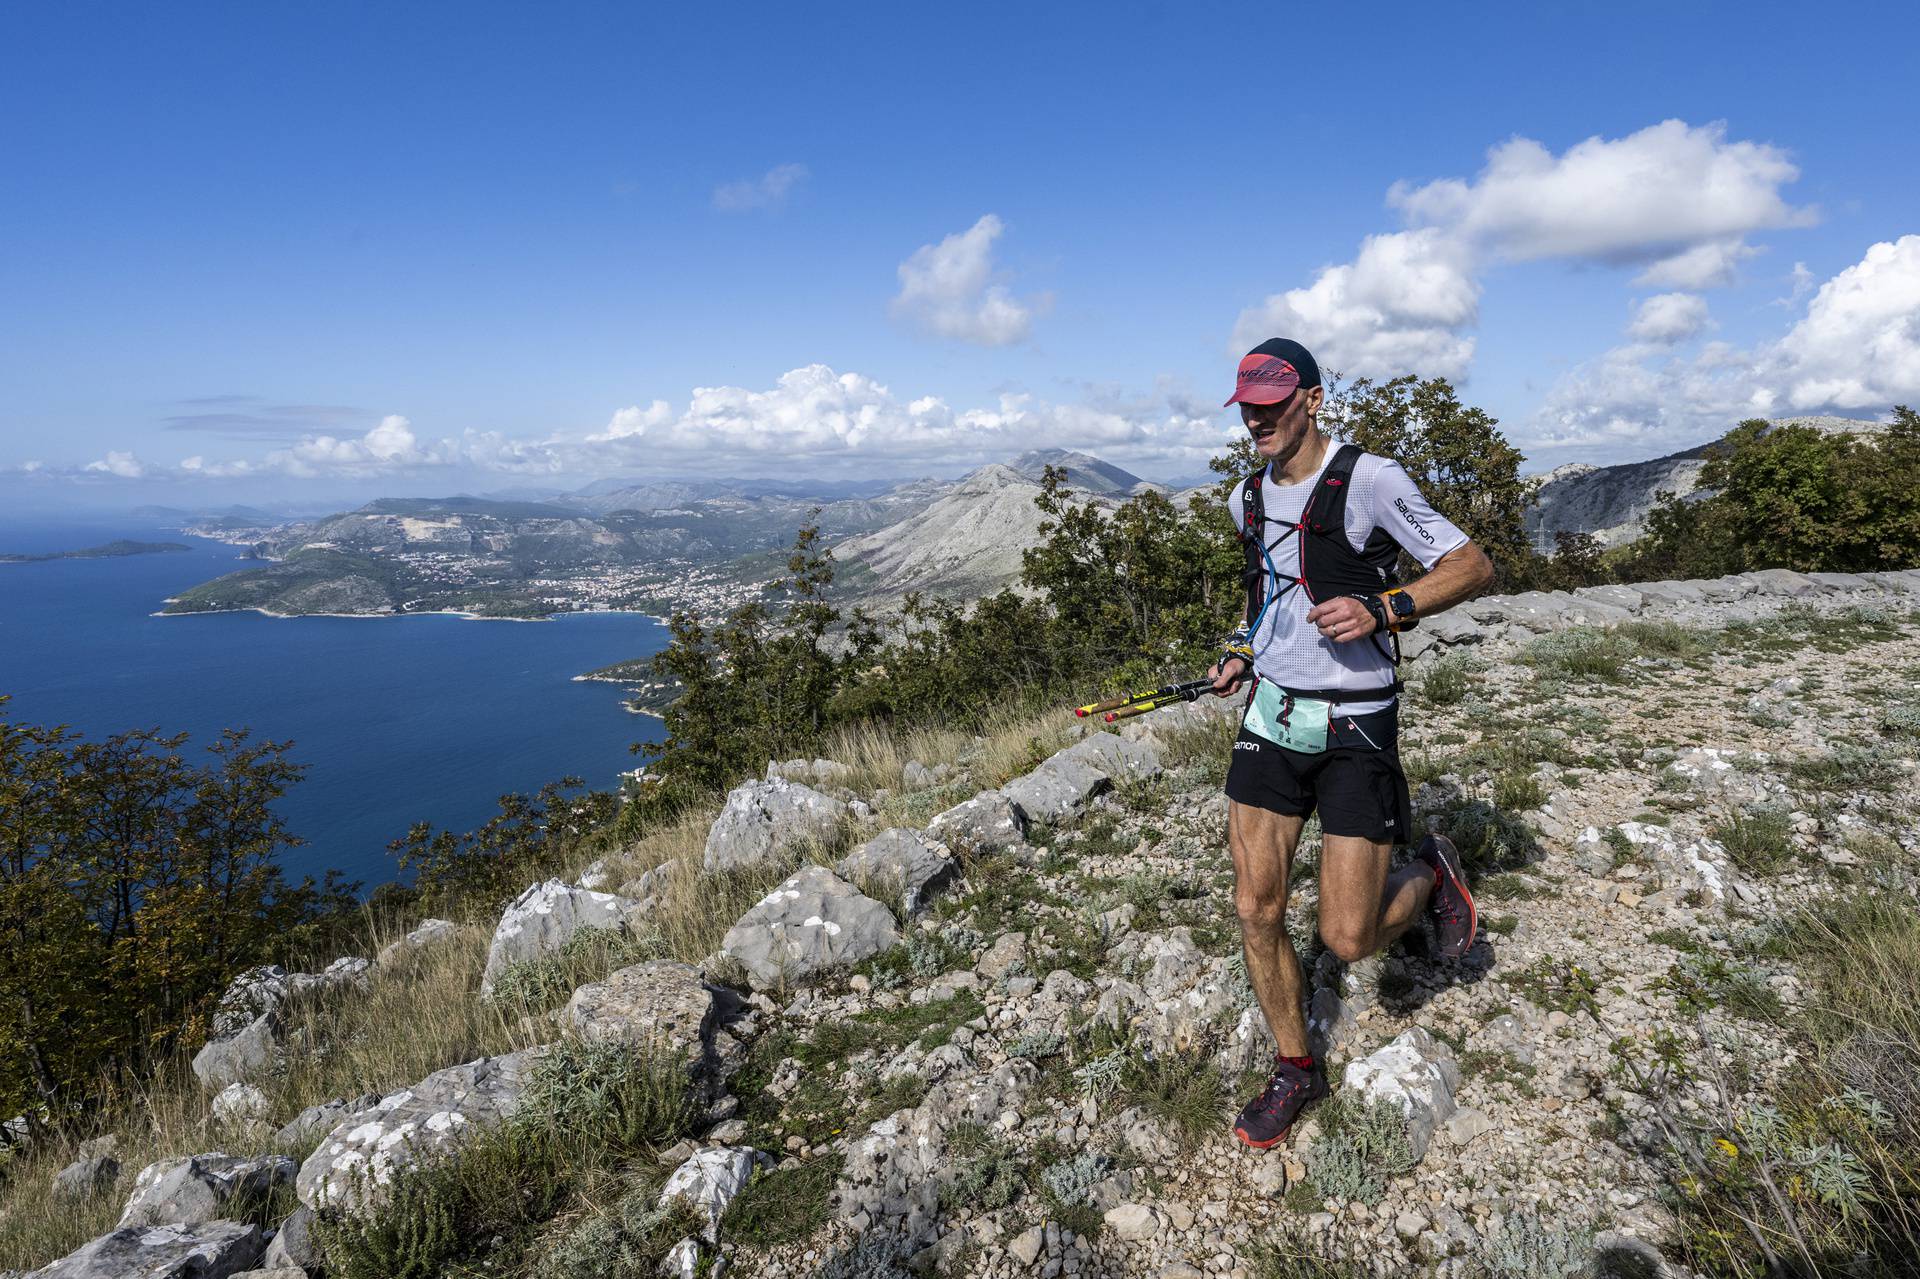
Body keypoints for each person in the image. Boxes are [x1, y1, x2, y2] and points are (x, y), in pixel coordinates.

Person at [1207, 337, 1495, 1150]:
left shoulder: (1371, 480)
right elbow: (1265, 596)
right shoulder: (1248, 498)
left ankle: (1429, 870)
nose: (1258, 418)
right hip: (1272, 718)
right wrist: (1240, 648)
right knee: (1255, 906)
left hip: (1357, 719)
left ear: (1312, 399)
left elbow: (1471, 564)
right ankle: (1295, 1064)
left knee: (1347, 936)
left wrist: (1386, 606)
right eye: (1248, 406)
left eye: (1272, 401)